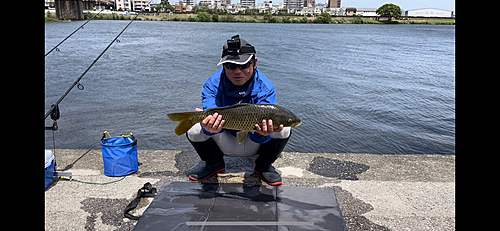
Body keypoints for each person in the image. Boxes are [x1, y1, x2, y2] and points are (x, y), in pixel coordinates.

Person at [186, 35, 293, 186]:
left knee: (284, 129)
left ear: (254, 63)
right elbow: (210, 119)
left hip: (253, 141)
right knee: (194, 128)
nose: (237, 71)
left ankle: (264, 165)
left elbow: (263, 134)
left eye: (243, 65)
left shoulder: (266, 87)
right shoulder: (211, 85)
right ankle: (213, 164)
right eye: (230, 65)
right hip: (224, 137)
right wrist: (209, 128)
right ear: (223, 66)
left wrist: (262, 135)